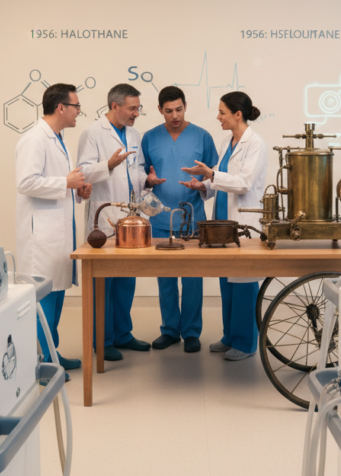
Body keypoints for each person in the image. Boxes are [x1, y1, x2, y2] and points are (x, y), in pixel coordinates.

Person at [181, 92, 268, 360]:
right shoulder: (227, 141)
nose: (218, 117)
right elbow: (221, 177)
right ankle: (230, 336)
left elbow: (242, 183)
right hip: (221, 221)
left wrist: (211, 174)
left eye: (222, 113)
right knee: (226, 281)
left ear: (237, 115)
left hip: (242, 220)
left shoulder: (256, 144)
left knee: (242, 283)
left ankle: (245, 343)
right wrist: (203, 184)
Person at [77, 84, 160, 361]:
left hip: (130, 219)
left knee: (126, 280)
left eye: (138, 108)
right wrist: (109, 165)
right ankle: (103, 339)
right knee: (104, 283)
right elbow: (84, 172)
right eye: (132, 108)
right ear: (115, 106)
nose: (137, 113)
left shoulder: (134, 133)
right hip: (105, 217)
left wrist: (147, 180)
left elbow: (135, 169)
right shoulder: (92, 132)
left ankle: (123, 334)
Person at [15, 83, 92, 373]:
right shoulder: (34, 139)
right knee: (45, 299)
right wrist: (65, 183)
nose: (79, 112)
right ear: (61, 107)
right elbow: (26, 183)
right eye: (76, 107)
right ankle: (45, 361)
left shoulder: (57, 138)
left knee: (57, 294)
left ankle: (52, 354)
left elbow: (58, 181)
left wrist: (76, 191)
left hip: (59, 232)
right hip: (42, 237)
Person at [142, 86, 218, 353]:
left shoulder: (202, 136)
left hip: (192, 217)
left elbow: (215, 175)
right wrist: (148, 181)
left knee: (193, 276)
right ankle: (170, 330)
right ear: (160, 110)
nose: (175, 115)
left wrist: (202, 182)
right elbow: (141, 176)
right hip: (161, 219)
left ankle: (191, 331)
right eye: (168, 111)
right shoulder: (149, 138)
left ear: (185, 106)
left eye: (179, 109)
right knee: (165, 277)